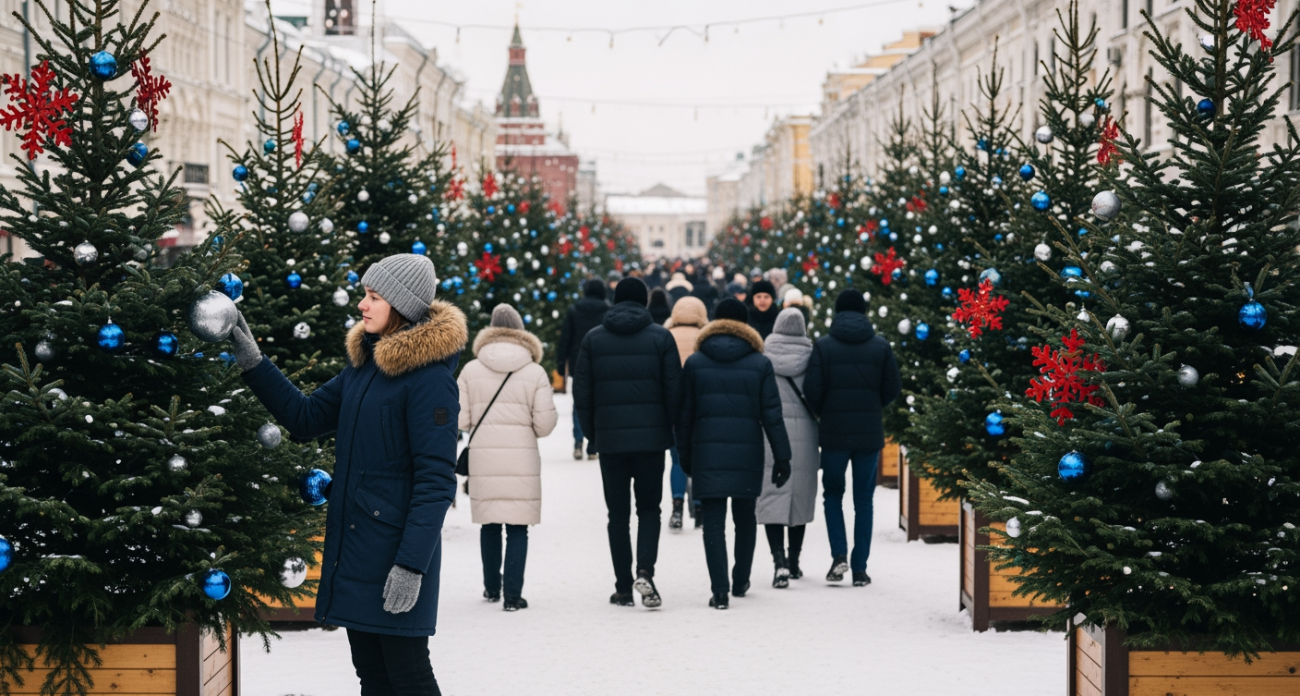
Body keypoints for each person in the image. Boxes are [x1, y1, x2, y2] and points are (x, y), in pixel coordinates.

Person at [229, 253, 463, 694]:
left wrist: (411, 565)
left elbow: (436, 481)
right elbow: (304, 416)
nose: (362, 305)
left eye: (374, 297)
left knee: (408, 675)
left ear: (402, 306)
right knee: (372, 676)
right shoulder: (364, 366)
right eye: (364, 295)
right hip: (356, 548)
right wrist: (254, 362)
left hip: (395, 553)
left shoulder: (430, 380)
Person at [573, 277, 682, 608]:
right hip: (651, 441)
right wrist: (669, 429)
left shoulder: (594, 339)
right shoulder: (661, 337)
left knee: (617, 514)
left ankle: (623, 587)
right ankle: (645, 571)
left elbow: (583, 393)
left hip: (610, 441)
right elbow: (674, 390)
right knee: (649, 509)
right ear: (645, 302)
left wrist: (594, 433)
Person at [676, 298, 792, 609]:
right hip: (747, 453)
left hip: (708, 453)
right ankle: (741, 579)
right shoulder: (759, 364)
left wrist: (684, 455)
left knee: (713, 521)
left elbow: (684, 416)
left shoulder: (696, 363)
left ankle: (720, 591)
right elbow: (772, 415)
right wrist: (783, 457)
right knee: (745, 518)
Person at [458, 304, 558, 612]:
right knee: (518, 527)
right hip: (521, 461)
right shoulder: (535, 371)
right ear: (520, 330)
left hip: (483, 460)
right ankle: (513, 596)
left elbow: (461, 420)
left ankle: (491, 588)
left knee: (489, 524)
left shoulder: (471, 369)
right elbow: (544, 425)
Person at [803, 290, 901, 586]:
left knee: (833, 494)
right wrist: (873, 407)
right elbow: (892, 387)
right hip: (868, 434)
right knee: (864, 500)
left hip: (834, 433)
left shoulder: (823, 346)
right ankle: (860, 568)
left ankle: (839, 556)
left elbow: (812, 389)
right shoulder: (881, 347)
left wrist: (826, 412)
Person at [756, 309, 818, 587]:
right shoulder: (813, 358)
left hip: (771, 433)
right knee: (800, 497)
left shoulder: (763, 358)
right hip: (806, 434)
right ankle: (794, 561)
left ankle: (778, 560)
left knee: (773, 495)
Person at [663, 295, 709, 529]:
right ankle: (700, 508)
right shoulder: (705, 336)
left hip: (674, 406)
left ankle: (677, 507)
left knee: (676, 459)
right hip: (700, 405)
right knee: (700, 457)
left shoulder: (666, 335)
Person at [556, 279, 609, 460]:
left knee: (579, 403)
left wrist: (561, 362)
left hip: (578, 362)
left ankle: (578, 442)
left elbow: (566, 339)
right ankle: (593, 445)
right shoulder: (608, 310)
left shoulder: (574, 310)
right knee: (598, 403)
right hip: (601, 362)